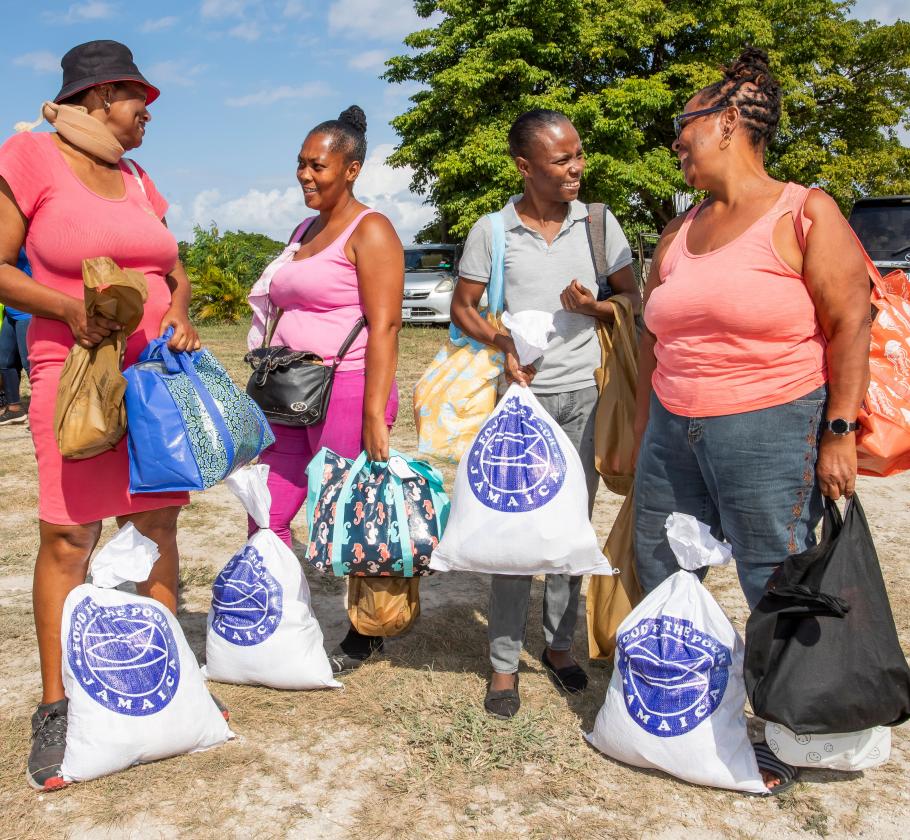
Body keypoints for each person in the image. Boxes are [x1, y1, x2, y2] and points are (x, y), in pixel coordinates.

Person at [633, 48, 871, 791]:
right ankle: (680, 708)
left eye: (685, 126)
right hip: (676, 425)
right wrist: (645, 430)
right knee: (661, 567)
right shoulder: (681, 228)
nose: (676, 141)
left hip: (773, 423)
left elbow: (851, 323)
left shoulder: (805, 211)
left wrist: (839, 431)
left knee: (774, 577)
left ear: (729, 123)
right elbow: (654, 333)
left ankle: (779, 730)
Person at [0, 40, 200, 791]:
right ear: (94, 97)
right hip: (75, 376)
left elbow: (170, 270)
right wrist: (68, 309)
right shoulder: (29, 156)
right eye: (135, 98)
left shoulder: (140, 177)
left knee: (157, 528)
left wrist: (178, 311)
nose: (147, 111)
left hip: (152, 382)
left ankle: (162, 683)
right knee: (67, 538)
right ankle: (56, 706)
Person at [450, 109, 642, 718]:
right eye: (562, 160)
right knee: (514, 530)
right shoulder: (493, 231)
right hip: (518, 404)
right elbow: (463, 308)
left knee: (568, 529)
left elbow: (634, 299)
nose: (576, 167)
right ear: (524, 167)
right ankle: (504, 664)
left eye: (578, 154)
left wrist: (598, 306)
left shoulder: (599, 224)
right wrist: (503, 343)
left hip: (583, 395)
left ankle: (560, 646)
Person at [247, 106, 403, 674]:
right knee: (269, 508)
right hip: (286, 390)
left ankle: (367, 631)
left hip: (348, 388)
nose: (306, 176)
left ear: (353, 168)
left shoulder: (373, 230)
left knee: (347, 514)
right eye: (300, 165)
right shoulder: (302, 231)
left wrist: (375, 416)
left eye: (318, 165)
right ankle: (276, 617)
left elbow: (385, 325)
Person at [0, 249, 32, 425]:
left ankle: (47, 412)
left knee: (30, 365)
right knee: (4, 361)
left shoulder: (21, 238)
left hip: (28, 311)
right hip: (10, 310)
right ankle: (14, 409)